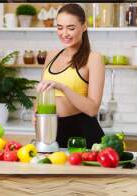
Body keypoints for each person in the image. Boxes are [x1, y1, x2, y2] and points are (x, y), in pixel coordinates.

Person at [35, 3, 105, 148]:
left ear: (84, 26)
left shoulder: (94, 58)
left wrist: (63, 87)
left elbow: (92, 109)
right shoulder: (51, 55)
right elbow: (41, 91)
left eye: (71, 28)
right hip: (52, 132)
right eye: (60, 27)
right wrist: (35, 113)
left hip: (81, 134)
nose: (64, 33)